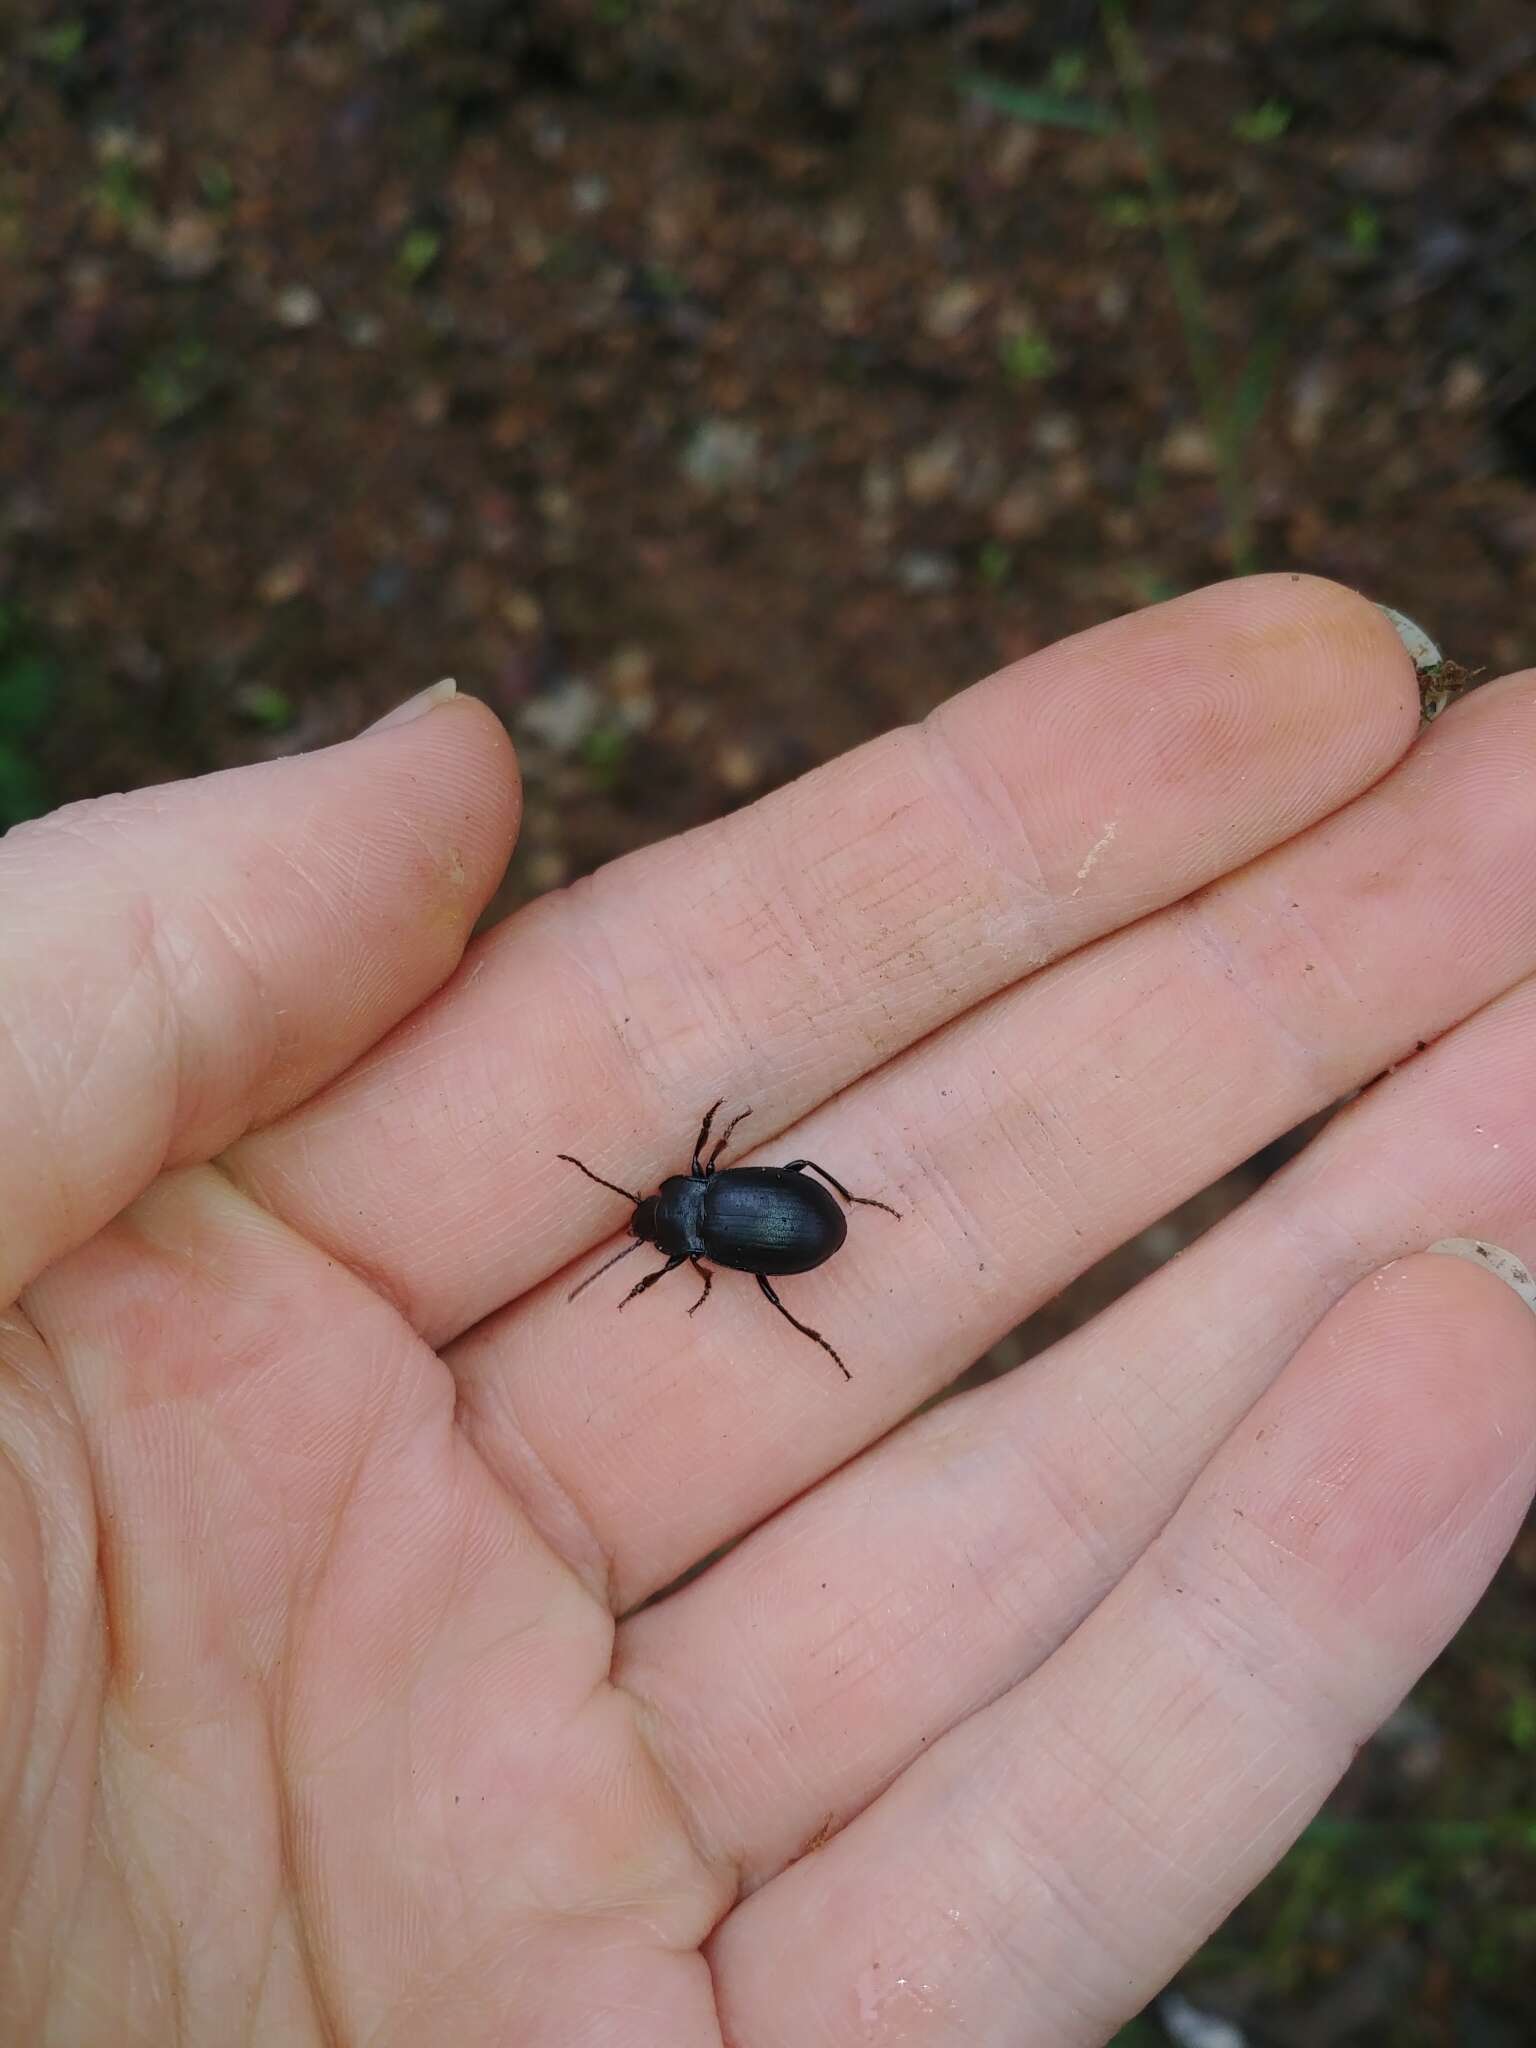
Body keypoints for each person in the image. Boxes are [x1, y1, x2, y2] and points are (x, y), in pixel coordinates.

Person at [2, 572, 1532, 2047]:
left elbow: (727, 1203)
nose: (655, 1220)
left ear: (677, 1207)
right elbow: (750, 1190)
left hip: (792, 1229)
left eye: (655, 1216)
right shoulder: (695, 1204)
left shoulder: (686, 1221)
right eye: (659, 1223)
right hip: (799, 1223)